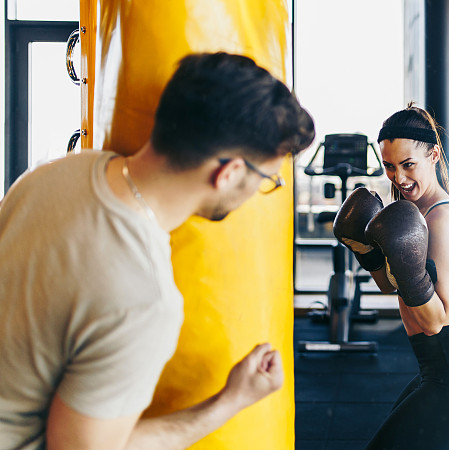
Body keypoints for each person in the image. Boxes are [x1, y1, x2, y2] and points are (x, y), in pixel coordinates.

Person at [0, 52, 315, 450]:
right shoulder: (144, 297)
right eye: (267, 179)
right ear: (230, 173)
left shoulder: (46, 175)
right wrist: (228, 402)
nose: (260, 191)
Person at [333, 104, 449, 449]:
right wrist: (369, 252)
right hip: (433, 366)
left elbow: (435, 320)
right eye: (390, 166)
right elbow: (388, 284)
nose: (399, 178)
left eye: (408, 165)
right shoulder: (411, 211)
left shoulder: (443, 220)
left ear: (434, 154)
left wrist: (408, 270)